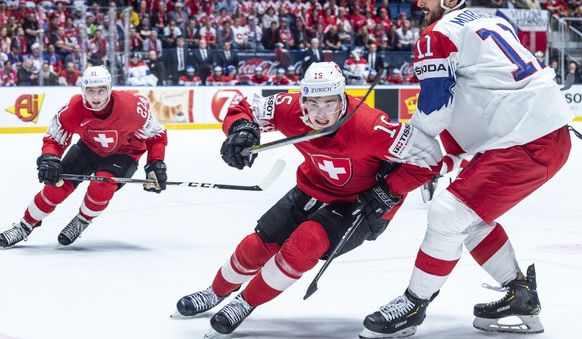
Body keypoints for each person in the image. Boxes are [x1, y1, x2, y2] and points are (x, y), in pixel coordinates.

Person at [360, 0, 574, 338]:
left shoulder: (436, 35)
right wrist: (442, 152)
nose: (420, 3)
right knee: (469, 218)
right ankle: (519, 296)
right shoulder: (490, 20)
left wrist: (411, 148)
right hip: (535, 132)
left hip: (527, 139)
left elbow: (436, 105)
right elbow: (478, 97)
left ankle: (413, 304)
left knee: (447, 213)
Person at [171, 61, 442, 336]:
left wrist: (389, 189)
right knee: (257, 245)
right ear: (302, 100)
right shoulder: (288, 109)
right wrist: (241, 129)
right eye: (313, 103)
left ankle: (244, 303)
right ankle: (215, 291)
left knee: (305, 244)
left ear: (342, 99)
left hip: (363, 204)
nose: (321, 114)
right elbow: (244, 107)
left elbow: (431, 159)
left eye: (329, 103)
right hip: (313, 188)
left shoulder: (372, 127)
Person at [0, 65, 168, 248]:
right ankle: (24, 226)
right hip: (88, 149)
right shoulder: (73, 109)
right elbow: (54, 138)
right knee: (56, 187)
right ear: (83, 91)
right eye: (90, 91)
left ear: (109, 90)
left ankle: (82, 219)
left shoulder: (131, 108)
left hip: (125, 153)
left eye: (101, 91)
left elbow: (157, 135)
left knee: (101, 185)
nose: (96, 97)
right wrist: (49, 158)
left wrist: (155, 163)